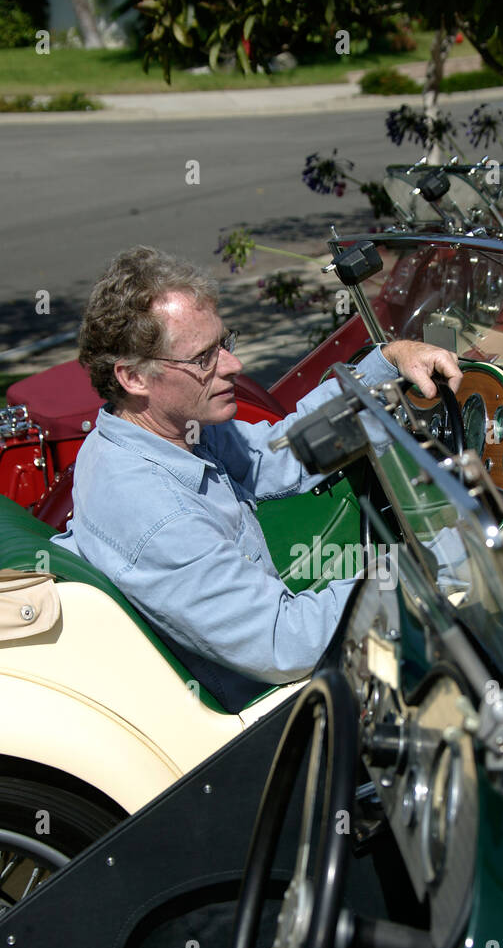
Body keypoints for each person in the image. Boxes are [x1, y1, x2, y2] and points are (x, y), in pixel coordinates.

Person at [52, 245, 461, 710]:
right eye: (204, 357)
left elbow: (273, 456)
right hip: (262, 714)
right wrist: (435, 566)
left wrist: (386, 366)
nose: (233, 365)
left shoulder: (153, 433)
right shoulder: (156, 511)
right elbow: (285, 641)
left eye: (225, 343)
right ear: (133, 378)